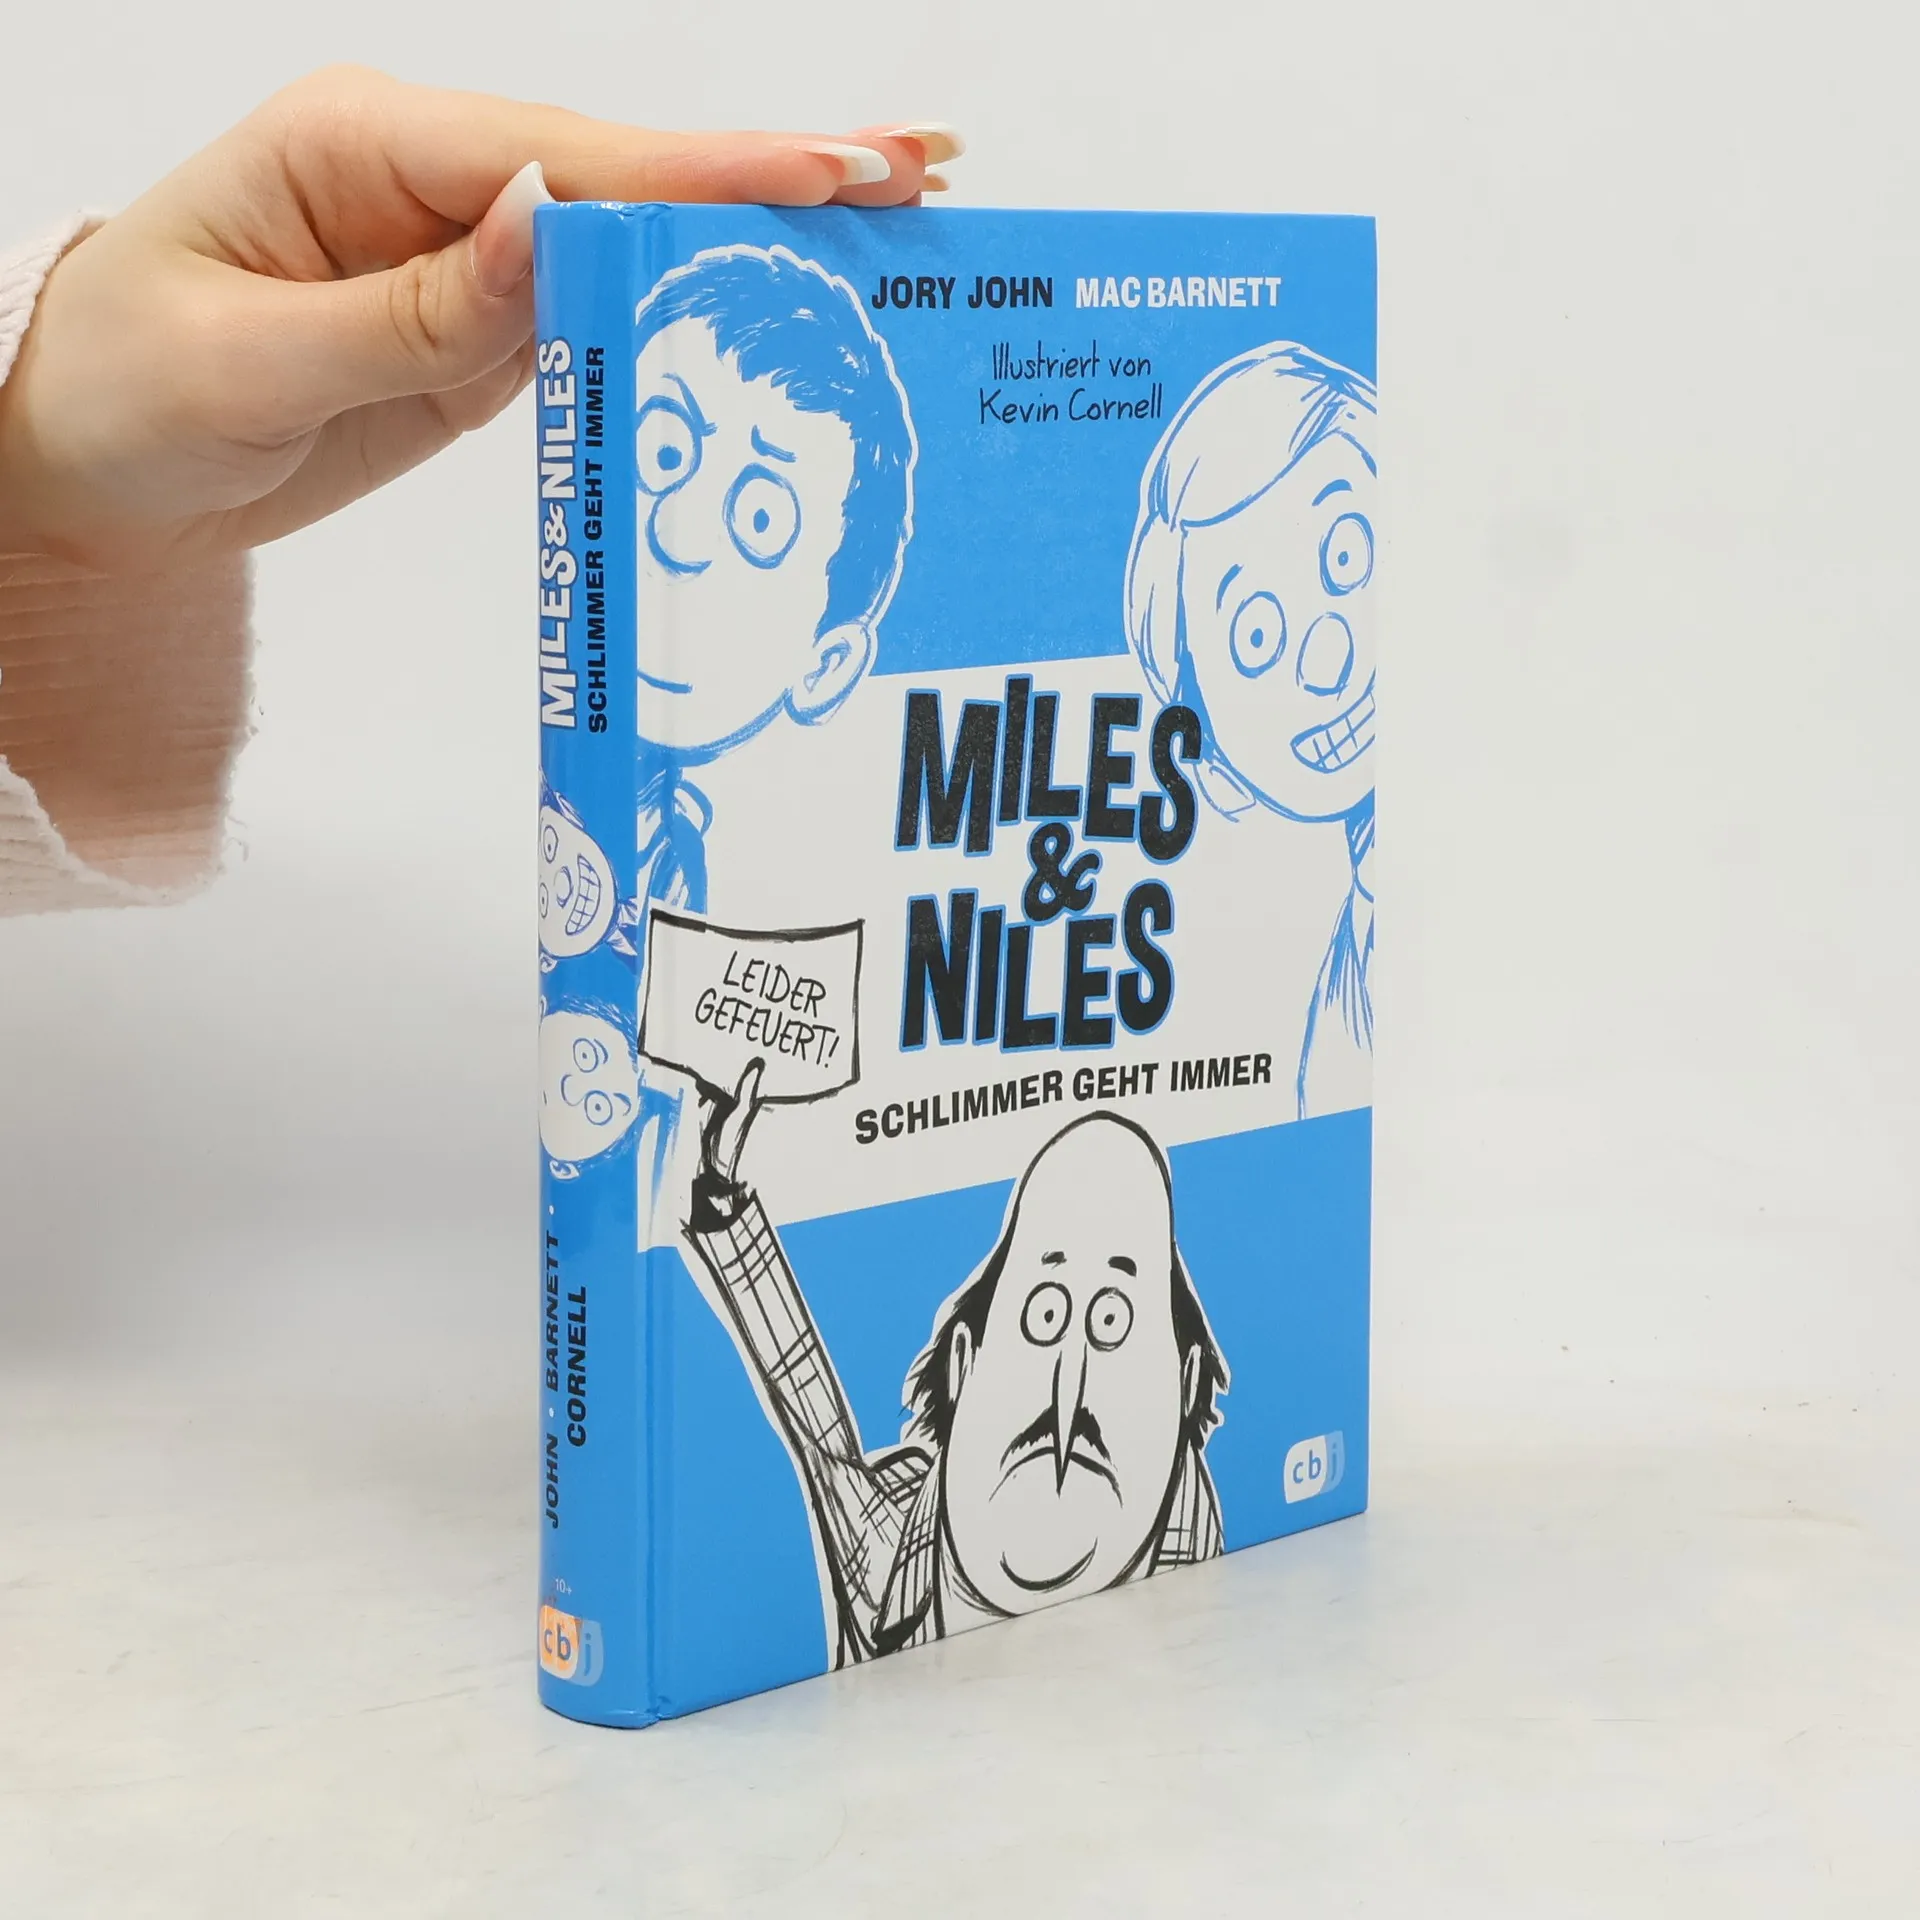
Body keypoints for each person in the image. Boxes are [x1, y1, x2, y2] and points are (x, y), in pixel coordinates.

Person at [0, 65, 962, 915]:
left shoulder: (805, 863)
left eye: (760, 519)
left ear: (829, 663)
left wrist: (29, 454)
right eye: (665, 451)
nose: (677, 532)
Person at [685, 1062, 1229, 1666]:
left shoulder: (1204, 1583)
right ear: (964, 1363)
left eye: (1111, 1321)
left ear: (1185, 1383)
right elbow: (807, 1397)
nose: (1069, 1383)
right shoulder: (884, 1554)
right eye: (1045, 1315)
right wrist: (723, 1197)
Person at [1124, 343, 1378, 1120]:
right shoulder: (1349, 977)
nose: (1329, 659)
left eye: (1347, 555)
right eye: (1257, 637)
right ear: (1208, 742)